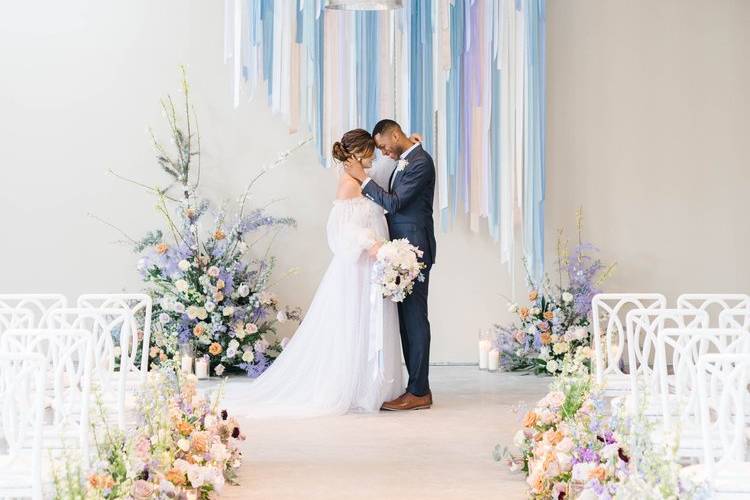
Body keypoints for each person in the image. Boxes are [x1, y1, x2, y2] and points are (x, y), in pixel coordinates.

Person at [242, 128, 403, 417]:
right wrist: (371, 244)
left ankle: (373, 384)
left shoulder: (365, 178)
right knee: (354, 323)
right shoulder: (348, 185)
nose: (372, 158)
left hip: (373, 266)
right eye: (368, 154)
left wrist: (407, 146)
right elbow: (342, 232)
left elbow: (385, 169)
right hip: (359, 267)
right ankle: (349, 385)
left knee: (372, 322)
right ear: (356, 155)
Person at [344, 119, 437, 411]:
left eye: (384, 145)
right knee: (406, 322)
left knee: (415, 320)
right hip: (399, 252)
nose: (384, 152)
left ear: (395, 135)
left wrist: (363, 179)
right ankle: (415, 387)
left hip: (414, 250)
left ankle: (420, 391)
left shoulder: (420, 162)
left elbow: (395, 204)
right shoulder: (407, 158)